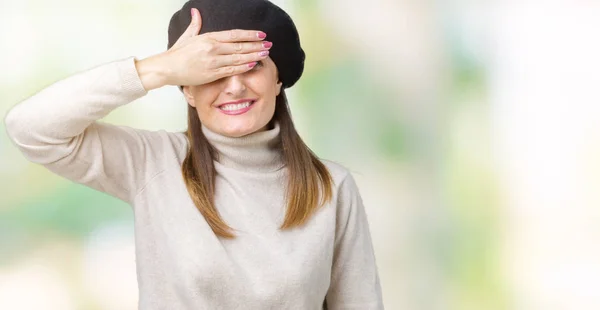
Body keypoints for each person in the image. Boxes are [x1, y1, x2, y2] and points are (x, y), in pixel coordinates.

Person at [4, 0, 384, 309]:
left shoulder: (331, 187)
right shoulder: (152, 163)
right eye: (213, 71)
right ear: (186, 89)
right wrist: (159, 69)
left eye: (251, 66)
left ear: (278, 78)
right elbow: (31, 128)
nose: (234, 87)